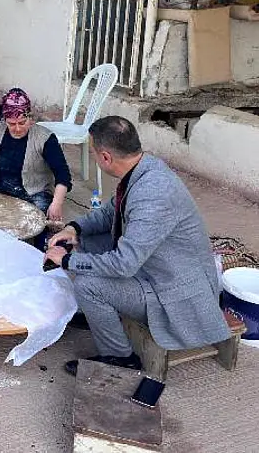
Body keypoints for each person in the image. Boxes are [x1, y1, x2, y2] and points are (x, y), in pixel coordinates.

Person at [44, 116, 229, 376]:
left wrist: (66, 260)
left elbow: (123, 264)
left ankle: (120, 358)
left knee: (88, 285)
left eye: (95, 153)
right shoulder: (142, 168)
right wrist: (74, 229)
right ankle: (99, 317)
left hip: (173, 291)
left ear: (106, 157)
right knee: (86, 242)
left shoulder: (153, 193)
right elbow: (110, 213)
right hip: (157, 266)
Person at [0, 88, 72, 223]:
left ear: (29, 117)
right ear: (5, 120)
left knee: (39, 221)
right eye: (11, 124)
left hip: (32, 192)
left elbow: (63, 175)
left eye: (22, 122)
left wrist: (57, 204)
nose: (17, 128)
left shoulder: (45, 139)